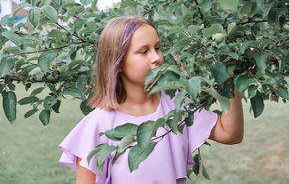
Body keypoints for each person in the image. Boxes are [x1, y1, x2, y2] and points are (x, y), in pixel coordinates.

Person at [59, 16, 244, 184]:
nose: (156, 58)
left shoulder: (176, 104)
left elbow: (230, 134)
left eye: (157, 48)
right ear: (118, 62)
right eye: (143, 51)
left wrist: (229, 80)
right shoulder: (98, 125)